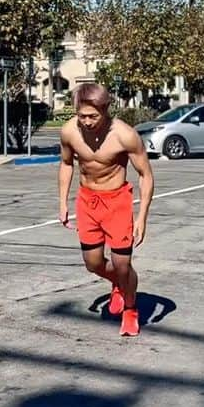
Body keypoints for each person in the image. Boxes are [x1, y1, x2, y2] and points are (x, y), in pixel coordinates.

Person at [58, 83, 154, 336]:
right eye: (82, 116)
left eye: (93, 116)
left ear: (106, 110)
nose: (87, 122)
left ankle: (131, 309)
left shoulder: (125, 135)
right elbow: (67, 164)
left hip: (117, 202)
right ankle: (118, 284)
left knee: (123, 264)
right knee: (93, 264)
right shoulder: (69, 131)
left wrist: (142, 218)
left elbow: (145, 175)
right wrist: (62, 202)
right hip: (87, 200)